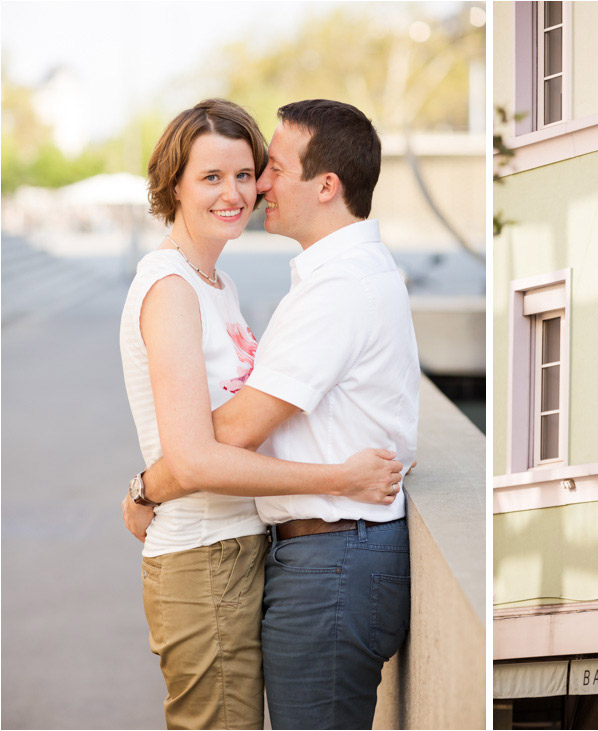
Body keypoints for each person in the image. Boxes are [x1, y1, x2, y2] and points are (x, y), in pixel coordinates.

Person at [124, 99, 420, 730]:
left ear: (326, 185)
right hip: (209, 551)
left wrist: (150, 487)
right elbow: (204, 449)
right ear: (172, 183)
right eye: (212, 177)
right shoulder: (173, 286)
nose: (248, 189)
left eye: (257, 170)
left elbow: (222, 436)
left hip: (283, 553)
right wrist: (150, 487)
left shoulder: (235, 287)